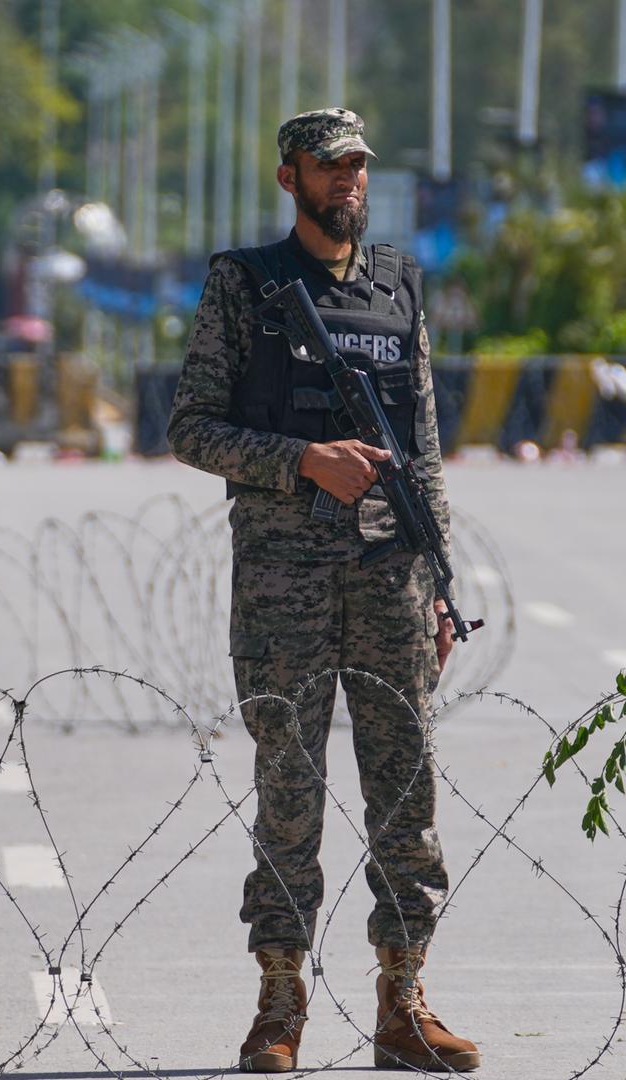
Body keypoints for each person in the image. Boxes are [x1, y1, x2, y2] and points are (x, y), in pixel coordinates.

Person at [168, 109, 480, 1073]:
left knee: (407, 793)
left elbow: (422, 446)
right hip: (283, 582)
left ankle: (404, 999)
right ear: (288, 178)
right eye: (328, 167)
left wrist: (437, 582)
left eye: (357, 168)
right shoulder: (247, 287)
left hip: (391, 578)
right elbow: (190, 428)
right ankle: (278, 1005)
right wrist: (303, 459)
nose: (347, 181)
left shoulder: (396, 289)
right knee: (290, 793)